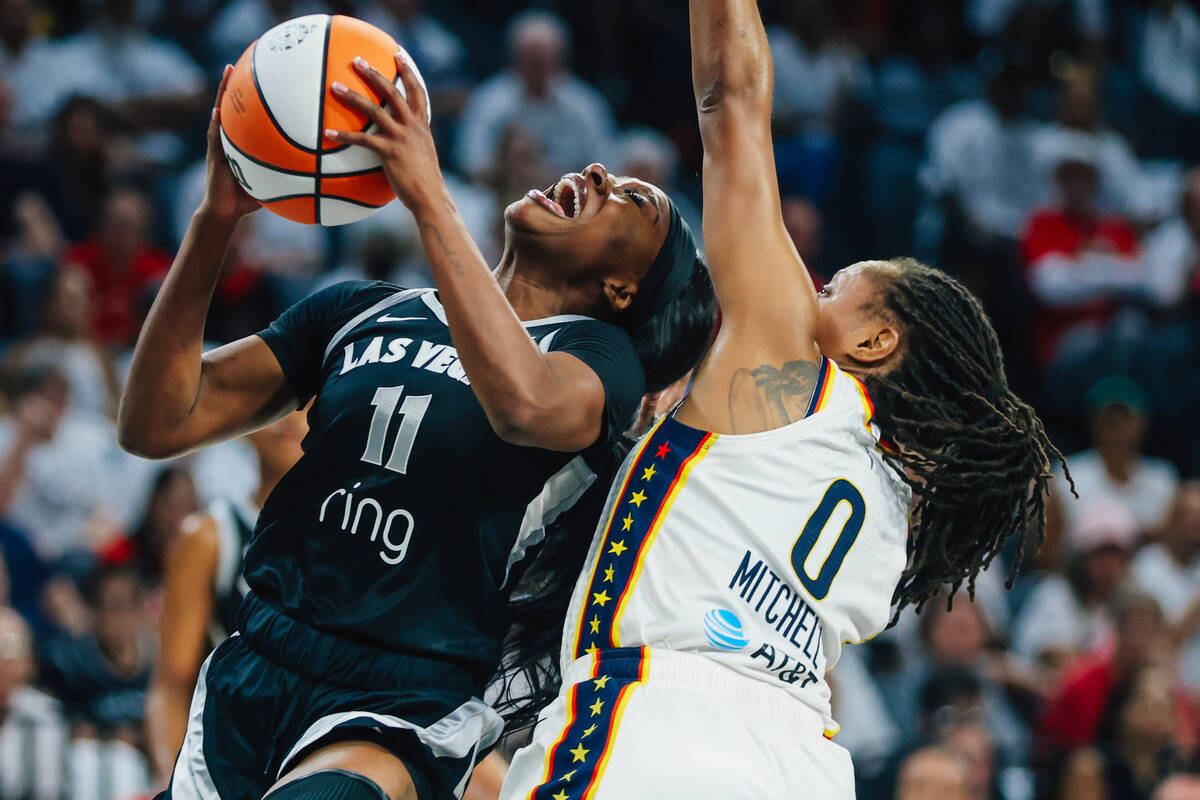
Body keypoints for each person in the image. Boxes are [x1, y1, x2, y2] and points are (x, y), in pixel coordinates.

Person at [498, 0, 1065, 796]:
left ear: (876, 344)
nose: (810, 290)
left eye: (834, 286)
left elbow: (731, 105)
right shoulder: (899, 514)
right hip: (802, 758)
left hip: (660, 725)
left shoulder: (796, 373)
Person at [120, 57, 715, 800]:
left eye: (633, 199)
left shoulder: (597, 357)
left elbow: (525, 407)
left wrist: (428, 194)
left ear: (623, 287)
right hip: (259, 652)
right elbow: (155, 420)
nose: (596, 172)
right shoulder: (362, 308)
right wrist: (215, 221)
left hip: (397, 702)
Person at [145, 412, 306, 784]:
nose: (292, 418)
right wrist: (173, 782)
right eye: (284, 402)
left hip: (328, 751)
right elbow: (170, 686)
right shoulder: (208, 536)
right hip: (233, 759)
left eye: (308, 401)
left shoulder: (362, 535)